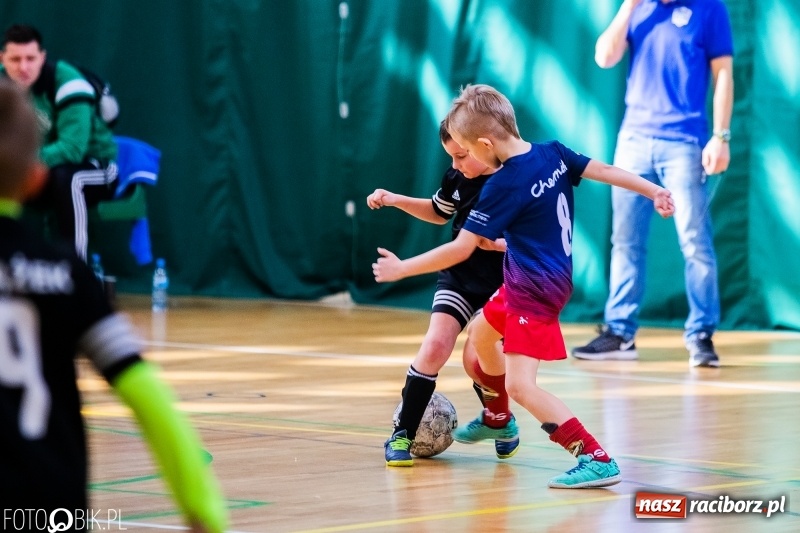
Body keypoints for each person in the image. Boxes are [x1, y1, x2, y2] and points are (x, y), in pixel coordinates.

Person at [373, 84, 675, 488]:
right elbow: (602, 170)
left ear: (483, 144)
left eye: (464, 151)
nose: (462, 161)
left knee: (520, 384)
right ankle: (497, 419)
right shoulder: (551, 152)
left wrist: (402, 268)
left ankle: (594, 456)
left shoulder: (503, 185)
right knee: (480, 335)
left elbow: (462, 248)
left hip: (533, 290)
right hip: (534, 280)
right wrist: (653, 188)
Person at [0, 81, 226, 530]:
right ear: (35, 177)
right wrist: (205, 512)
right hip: (47, 508)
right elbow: (146, 396)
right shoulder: (65, 275)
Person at [571, 0, 734, 368]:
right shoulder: (637, 8)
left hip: (685, 142)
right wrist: (629, 6)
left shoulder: (710, 9)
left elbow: (723, 72)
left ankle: (701, 335)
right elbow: (604, 56)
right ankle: (619, 333)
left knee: (694, 241)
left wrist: (720, 136)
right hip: (633, 140)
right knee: (625, 241)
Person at [368, 120, 519, 467]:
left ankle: (501, 420)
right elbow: (439, 211)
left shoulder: (515, 180)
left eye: (461, 155)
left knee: (477, 362)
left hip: (504, 283)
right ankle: (402, 433)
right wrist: (395, 200)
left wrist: (498, 245)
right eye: (450, 156)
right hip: (460, 278)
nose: (454, 165)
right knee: (435, 345)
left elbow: (535, 240)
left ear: (487, 145)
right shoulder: (458, 178)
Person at [0, 23, 119, 262]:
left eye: (31, 58)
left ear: (42, 58)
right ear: (2, 58)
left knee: (69, 178)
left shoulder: (68, 81)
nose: (24, 67)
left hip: (96, 167)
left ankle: (75, 271)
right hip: (40, 169)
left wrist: (20, 164)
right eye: (15, 59)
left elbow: (73, 149)